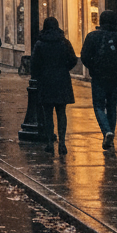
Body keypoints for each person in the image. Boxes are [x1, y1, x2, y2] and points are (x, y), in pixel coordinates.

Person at [80, 9, 117, 151]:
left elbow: (84, 56)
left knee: (98, 105)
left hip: (98, 76)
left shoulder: (92, 37)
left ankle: (107, 132)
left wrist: (93, 67)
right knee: (111, 106)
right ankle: (110, 135)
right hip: (115, 77)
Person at [31, 16, 77, 155]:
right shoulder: (64, 42)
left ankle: (50, 142)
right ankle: (62, 142)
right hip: (62, 80)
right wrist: (64, 69)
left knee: (48, 113)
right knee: (61, 112)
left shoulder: (40, 43)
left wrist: (40, 75)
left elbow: (34, 64)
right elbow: (73, 60)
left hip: (46, 80)